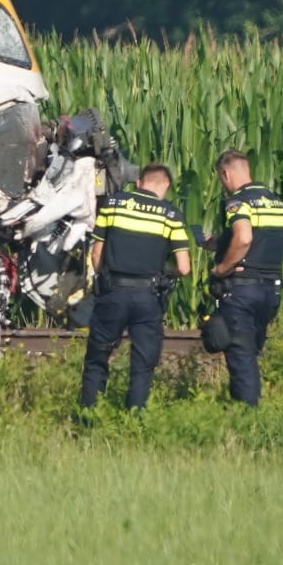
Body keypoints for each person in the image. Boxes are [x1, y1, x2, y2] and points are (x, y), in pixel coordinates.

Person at [80, 162, 193, 411]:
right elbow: (184, 268)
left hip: (113, 292)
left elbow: (96, 256)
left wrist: (105, 280)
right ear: (166, 187)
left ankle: (87, 416)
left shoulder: (113, 205)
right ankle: (134, 417)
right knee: (142, 363)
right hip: (148, 297)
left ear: (139, 182)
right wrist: (166, 273)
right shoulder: (171, 215)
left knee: (97, 357)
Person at [206, 149, 283, 406]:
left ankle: (248, 419)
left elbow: (244, 238)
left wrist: (222, 268)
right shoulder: (276, 202)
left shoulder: (237, 202)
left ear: (226, 173)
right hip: (270, 292)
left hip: (242, 290)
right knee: (250, 352)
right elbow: (263, 241)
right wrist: (219, 243)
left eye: (222, 180)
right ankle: (245, 407)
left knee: (241, 355)